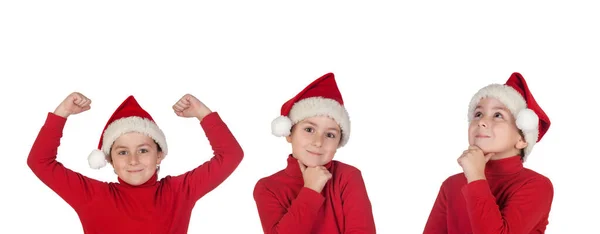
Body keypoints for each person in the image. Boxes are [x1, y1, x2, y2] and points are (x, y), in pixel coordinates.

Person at [27, 92, 244, 233]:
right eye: (122, 152)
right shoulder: (92, 196)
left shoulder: (179, 192)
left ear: (159, 155)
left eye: (143, 150)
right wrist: (61, 113)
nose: (133, 160)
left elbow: (231, 155)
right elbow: (40, 162)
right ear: (110, 160)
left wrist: (202, 114)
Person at [423, 72, 554, 233]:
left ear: (522, 139)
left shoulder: (537, 185)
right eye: (478, 114)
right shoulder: (451, 185)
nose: (482, 122)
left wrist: (476, 177)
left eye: (498, 115)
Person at [253, 72, 377, 234]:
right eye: (309, 129)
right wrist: (311, 190)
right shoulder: (267, 188)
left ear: (338, 142)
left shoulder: (348, 177)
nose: (319, 142)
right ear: (289, 133)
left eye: (330, 134)